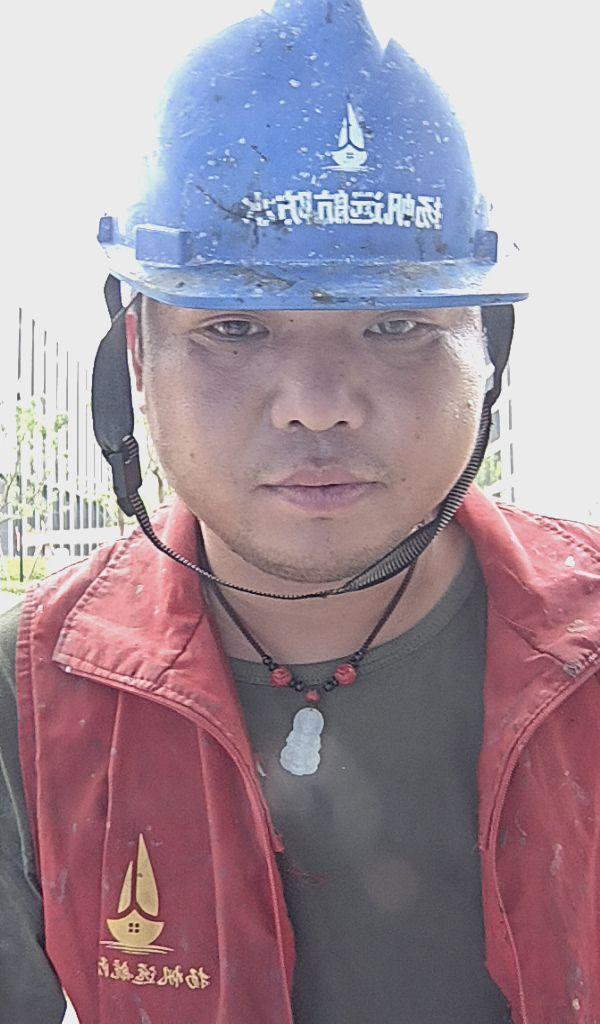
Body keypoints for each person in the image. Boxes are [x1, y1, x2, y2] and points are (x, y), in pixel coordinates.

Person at [1, 1, 599, 1022]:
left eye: (395, 325)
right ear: (136, 357)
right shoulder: (28, 699)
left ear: (488, 353)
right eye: (236, 327)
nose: (316, 403)